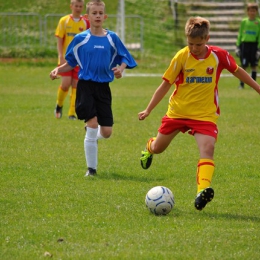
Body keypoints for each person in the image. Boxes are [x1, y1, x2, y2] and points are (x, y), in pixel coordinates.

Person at [138, 16, 260, 211]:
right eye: (190, 43)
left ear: (207, 39)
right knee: (159, 147)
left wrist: (257, 87)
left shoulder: (219, 55)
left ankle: (202, 191)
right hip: (177, 112)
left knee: (208, 149)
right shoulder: (181, 57)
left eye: (198, 44)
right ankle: (149, 148)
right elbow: (165, 85)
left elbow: (238, 71)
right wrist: (148, 109)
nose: (194, 48)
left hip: (204, 115)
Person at [50, 0, 137, 176]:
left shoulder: (112, 38)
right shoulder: (81, 39)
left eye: (100, 13)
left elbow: (125, 58)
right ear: (87, 17)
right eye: (94, 13)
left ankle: (91, 137)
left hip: (104, 87)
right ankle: (92, 170)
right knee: (92, 123)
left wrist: (120, 70)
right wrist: (58, 70)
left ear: (104, 16)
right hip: (86, 86)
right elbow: (71, 63)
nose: (97, 16)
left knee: (106, 132)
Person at [54, 0, 90, 119]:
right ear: (71, 6)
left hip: (80, 60)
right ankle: (59, 105)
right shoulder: (64, 21)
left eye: (80, 6)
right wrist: (60, 55)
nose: (78, 8)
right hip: (66, 58)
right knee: (65, 84)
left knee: (76, 85)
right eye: (76, 6)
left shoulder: (85, 22)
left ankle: (72, 113)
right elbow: (59, 39)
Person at [235, 3, 260, 89]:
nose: (252, 12)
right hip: (245, 45)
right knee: (243, 65)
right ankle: (241, 85)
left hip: (254, 46)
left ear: (256, 12)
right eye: (250, 10)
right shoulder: (244, 21)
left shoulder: (258, 22)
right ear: (247, 12)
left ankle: (253, 86)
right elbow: (240, 34)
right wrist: (237, 46)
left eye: (254, 11)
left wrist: (259, 49)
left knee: (254, 65)